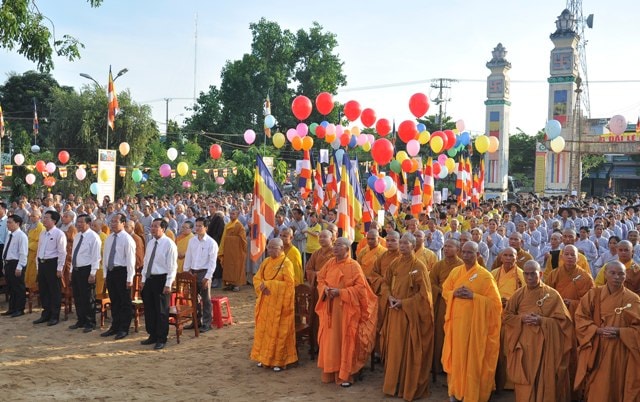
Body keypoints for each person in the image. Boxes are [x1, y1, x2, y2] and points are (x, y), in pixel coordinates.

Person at [502, 259, 573, 402]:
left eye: (533, 274)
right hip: (523, 346)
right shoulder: (519, 294)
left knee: (544, 377)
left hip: (546, 346)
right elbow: (507, 316)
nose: (529, 278)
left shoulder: (553, 295)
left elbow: (564, 322)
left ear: (540, 274)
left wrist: (542, 321)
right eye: (526, 274)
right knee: (525, 378)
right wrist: (521, 318)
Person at [442, 241, 502, 402]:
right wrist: (454, 293)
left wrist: (474, 297)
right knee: (457, 358)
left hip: (476, 328)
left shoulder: (485, 276)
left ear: (478, 255)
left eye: (471, 252)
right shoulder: (456, 272)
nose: (467, 255)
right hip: (458, 325)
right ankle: (455, 391)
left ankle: (472, 394)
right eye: (465, 252)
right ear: (461, 253)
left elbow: (495, 305)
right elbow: (445, 291)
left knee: (474, 360)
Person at [315, 237, 377, 387]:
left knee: (345, 340)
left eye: (339, 245)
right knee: (331, 341)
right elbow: (320, 279)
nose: (335, 248)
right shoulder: (330, 263)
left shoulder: (354, 266)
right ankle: (330, 371)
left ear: (347, 249)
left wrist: (342, 292)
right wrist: (325, 289)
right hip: (330, 309)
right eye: (334, 245)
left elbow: (361, 289)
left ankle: (345, 374)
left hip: (347, 311)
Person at [574, 261, 640, 401]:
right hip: (596, 348)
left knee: (617, 385)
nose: (617, 277)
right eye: (613, 273)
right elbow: (580, 317)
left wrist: (620, 332)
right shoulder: (594, 294)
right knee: (597, 387)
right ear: (605, 274)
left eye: (621, 273)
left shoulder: (633, 299)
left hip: (620, 351)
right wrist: (595, 330)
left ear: (626, 276)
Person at [379, 232, 434, 401]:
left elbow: (425, 295)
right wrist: (389, 297)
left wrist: (405, 303)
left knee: (408, 350)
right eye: (400, 243)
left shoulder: (419, 266)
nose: (402, 246)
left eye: (405, 243)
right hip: (394, 312)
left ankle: (406, 385)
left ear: (413, 245)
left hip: (410, 315)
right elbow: (385, 283)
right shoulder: (395, 263)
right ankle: (392, 385)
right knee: (394, 349)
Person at [250, 238, 297, 371]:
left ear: (281, 248)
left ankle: (279, 361)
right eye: (269, 247)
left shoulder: (286, 263)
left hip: (280, 305)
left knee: (279, 333)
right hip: (266, 303)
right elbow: (257, 278)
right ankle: (262, 357)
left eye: (273, 248)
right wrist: (261, 285)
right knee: (263, 331)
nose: (270, 250)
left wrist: (270, 284)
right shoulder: (266, 261)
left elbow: (289, 285)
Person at [140, 218, 178, 350]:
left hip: (162, 280)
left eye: (156, 226)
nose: (153, 228)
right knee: (150, 309)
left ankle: (162, 338)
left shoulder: (169, 244)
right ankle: (152, 335)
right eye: (152, 226)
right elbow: (146, 262)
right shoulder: (150, 243)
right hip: (150, 279)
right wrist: (143, 280)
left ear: (163, 228)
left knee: (161, 310)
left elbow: (172, 266)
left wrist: (168, 284)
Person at [430, 239, 463, 377]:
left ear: (457, 249)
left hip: (457, 302)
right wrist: (442, 292)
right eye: (445, 246)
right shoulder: (439, 265)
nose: (446, 249)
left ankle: (453, 367)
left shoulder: (461, 265)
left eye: (450, 246)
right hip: (442, 303)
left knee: (455, 335)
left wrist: (451, 294)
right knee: (440, 333)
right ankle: (438, 365)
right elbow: (431, 282)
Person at [101, 213, 136, 340]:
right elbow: (105, 256)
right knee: (114, 301)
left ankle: (124, 328)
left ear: (123, 223)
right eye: (112, 221)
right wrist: (105, 274)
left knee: (124, 302)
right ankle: (114, 326)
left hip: (123, 272)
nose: (113, 224)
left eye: (116, 221)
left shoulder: (127, 239)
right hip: (111, 271)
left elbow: (131, 260)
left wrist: (129, 278)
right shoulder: (110, 237)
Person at [183, 217, 218, 332]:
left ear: (206, 228)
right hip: (193, 272)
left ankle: (207, 323)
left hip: (204, 273)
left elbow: (213, 263)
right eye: (196, 226)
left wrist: (208, 277)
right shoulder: (192, 241)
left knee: (206, 300)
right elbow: (188, 257)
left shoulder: (211, 243)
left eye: (200, 226)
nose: (197, 228)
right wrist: (186, 272)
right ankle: (196, 321)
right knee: (193, 299)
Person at [33, 210, 67, 326]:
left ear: (54, 221)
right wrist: (38, 265)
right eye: (44, 217)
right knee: (43, 290)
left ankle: (54, 315)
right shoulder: (42, 233)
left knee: (54, 291)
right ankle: (45, 314)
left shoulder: (59, 234)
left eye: (47, 218)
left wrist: (59, 268)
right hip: (42, 264)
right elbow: (39, 250)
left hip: (52, 264)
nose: (44, 220)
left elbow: (62, 253)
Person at [69, 214, 101, 333]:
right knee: (78, 296)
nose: (78, 224)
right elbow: (74, 254)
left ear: (88, 223)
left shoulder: (93, 237)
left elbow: (96, 257)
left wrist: (93, 273)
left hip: (87, 270)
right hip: (77, 269)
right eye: (77, 222)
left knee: (88, 297)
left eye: (81, 222)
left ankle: (90, 322)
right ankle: (81, 320)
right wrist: (72, 270)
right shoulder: (77, 236)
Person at [1, 215, 28, 317]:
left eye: (10, 222)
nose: (8, 224)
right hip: (8, 264)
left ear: (17, 223)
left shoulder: (21, 236)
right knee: (11, 287)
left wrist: (20, 266)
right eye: (7, 222)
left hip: (16, 263)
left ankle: (19, 309)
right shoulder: (9, 234)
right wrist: (4, 265)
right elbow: (6, 250)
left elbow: (23, 253)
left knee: (18, 288)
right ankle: (12, 308)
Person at [219, 207, 247, 292]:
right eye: (230, 214)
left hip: (236, 252)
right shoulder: (228, 225)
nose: (231, 216)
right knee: (228, 267)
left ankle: (236, 285)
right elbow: (224, 238)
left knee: (236, 267)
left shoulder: (239, 226)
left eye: (233, 214)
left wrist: (229, 239)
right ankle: (230, 284)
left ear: (238, 215)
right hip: (228, 250)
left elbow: (243, 240)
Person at [24, 210, 45, 296]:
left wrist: (29, 245)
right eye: (31, 216)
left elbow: (39, 241)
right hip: (29, 252)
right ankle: (29, 289)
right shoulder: (31, 226)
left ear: (39, 217)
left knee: (34, 273)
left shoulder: (41, 227)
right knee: (28, 272)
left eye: (34, 216)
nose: (31, 217)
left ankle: (34, 290)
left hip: (35, 253)